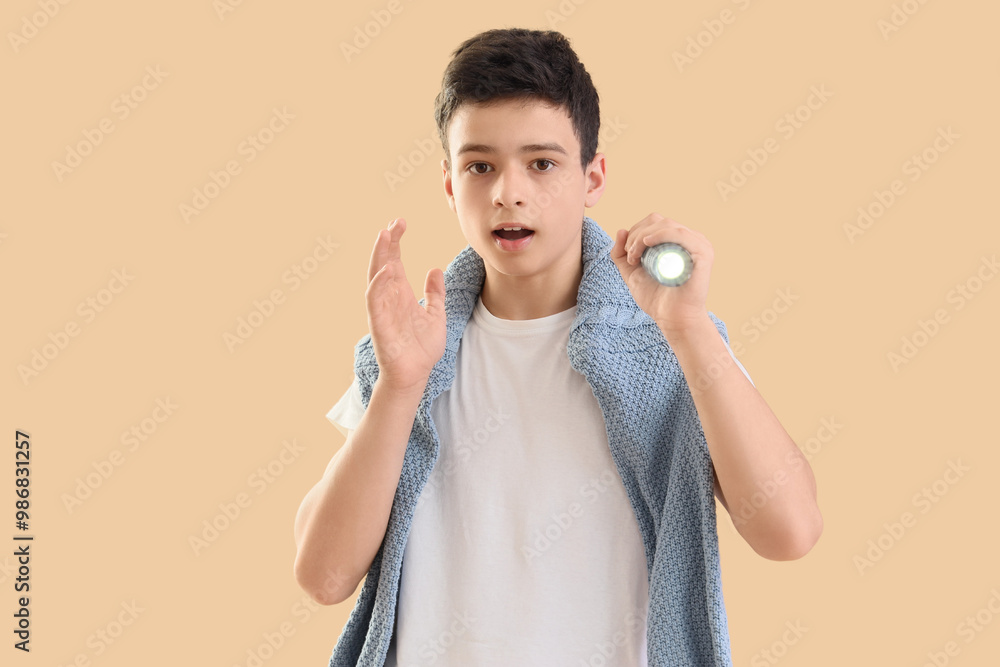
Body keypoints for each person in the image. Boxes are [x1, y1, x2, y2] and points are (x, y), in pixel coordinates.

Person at [293, 27, 822, 667]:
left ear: (592, 176)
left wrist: (689, 331)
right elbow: (323, 578)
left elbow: (790, 533)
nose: (507, 192)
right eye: (479, 165)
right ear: (448, 181)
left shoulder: (672, 345)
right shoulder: (407, 353)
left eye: (541, 163)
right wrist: (400, 386)